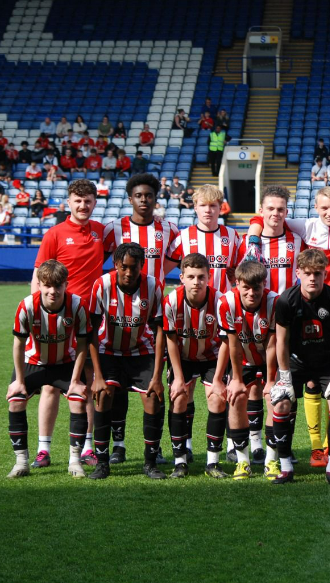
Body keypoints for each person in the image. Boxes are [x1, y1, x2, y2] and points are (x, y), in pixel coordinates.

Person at [31, 179, 104, 469]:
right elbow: (38, 277)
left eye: (88, 200)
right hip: (57, 320)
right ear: (69, 202)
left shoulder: (100, 232)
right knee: (50, 385)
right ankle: (43, 450)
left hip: (89, 319)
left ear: (94, 203)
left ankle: (86, 447)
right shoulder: (55, 233)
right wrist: (39, 317)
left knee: (85, 383)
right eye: (77, 200)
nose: (83, 205)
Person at [270, 248, 330, 484]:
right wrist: (285, 376)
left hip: (328, 362)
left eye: (317, 273)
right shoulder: (286, 300)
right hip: (297, 361)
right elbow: (281, 340)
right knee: (281, 403)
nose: (312, 278)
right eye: (307, 273)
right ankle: (286, 468)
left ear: (324, 274)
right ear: (298, 273)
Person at [87, 243, 165, 480]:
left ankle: (150, 462)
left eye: (134, 267)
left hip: (142, 352)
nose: (129, 273)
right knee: (103, 396)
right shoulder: (102, 285)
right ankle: (102, 462)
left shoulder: (153, 286)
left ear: (142, 266)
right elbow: (90, 333)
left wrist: (158, 376)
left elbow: (160, 330)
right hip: (109, 351)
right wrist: (97, 377)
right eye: (124, 267)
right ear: (116, 265)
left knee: (153, 398)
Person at [6, 260, 91, 478]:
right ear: (39, 285)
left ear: (66, 284)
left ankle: (75, 461)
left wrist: (75, 381)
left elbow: (82, 346)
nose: (53, 291)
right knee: (16, 401)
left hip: (65, 364)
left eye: (58, 285)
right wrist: (19, 380)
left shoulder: (77, 305)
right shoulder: (26, 306)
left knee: (78, 399)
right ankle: (21, 462)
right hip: (33, 363)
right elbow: (18, 345)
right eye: (47, 286)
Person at [163, 253, 230, 479]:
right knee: (179, 397)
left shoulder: (220, 301)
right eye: (191, 276)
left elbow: (225, 343)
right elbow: (170, 340)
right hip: (182, 356)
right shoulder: (171, 301)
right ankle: (180, 461)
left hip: (212, 355)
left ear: (209, 277)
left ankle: (213, 462)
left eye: (201, 277)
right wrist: (179, 378)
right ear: (181, 277)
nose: (196, 282)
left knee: (217, 398)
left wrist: (219, 379)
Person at [218, 260, 279, 479]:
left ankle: (271, 461)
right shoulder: (226, 302)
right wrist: (236, 379)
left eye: (257, 288)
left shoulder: (274, 302)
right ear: (237, 283)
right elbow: (232, 344)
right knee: (236, 398)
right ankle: (243, 462)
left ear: (264, 284)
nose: (252, 293)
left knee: (276, 400)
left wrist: (271, 380)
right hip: (242, 359)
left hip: (270, 359)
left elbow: (273, 344)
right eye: (246, 287)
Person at [167, 184, 242, 293]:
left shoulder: (232, 235)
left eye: (212, 205)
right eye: (203, 205)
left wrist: (236, 275)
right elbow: (161, 270)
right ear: (195, 207)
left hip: (223, 303)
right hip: (192, 305)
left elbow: (240, 270)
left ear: (220, 208)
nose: (208, 210)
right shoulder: (183, 236)